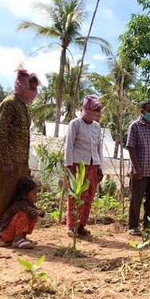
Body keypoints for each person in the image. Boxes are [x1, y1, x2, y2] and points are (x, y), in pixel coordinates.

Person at [0, 69, 40, 246]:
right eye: (30, 88)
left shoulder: (24, 108)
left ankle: (11, 235)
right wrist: (6, 160)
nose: (33, 92)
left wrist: (25, 165)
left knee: (18, 200)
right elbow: (1, 134)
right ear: (21, 86)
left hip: (21, 162)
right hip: (8, 162)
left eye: (35, 89)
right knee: (3, 196)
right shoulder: (9, 103)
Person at [64, 95, 104, 237]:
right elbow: (69, 146)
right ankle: (72, 226)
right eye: (95, 111)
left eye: (98, 111)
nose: (98, 114)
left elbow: (99, 148)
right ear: (87, 110)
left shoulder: (97, 127)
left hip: (93, 165)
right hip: (78, 165)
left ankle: (81, 225)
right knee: (76, 195)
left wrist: (100, 167)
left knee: (88, 195)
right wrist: (69, 167)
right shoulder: (75, 124)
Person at [127, 101, 150, 236]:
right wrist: (136, 168)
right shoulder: (135, 126)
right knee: (136, 199)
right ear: (142, 112)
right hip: (140, 169)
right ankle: (133, 226)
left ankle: (148, 225)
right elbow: (130, 147)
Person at [0, 177, 44, 249]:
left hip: (11, 233)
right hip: (6, 233)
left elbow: (34, 211)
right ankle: (17, 241)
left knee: (33, 215)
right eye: (34, 193)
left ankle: (22, 238)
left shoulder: (29, 204)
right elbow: (30, 211)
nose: (37, 195)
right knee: (23, 215)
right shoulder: (20, 204)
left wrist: (39, 212)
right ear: (25, 195)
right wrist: (39, 212)